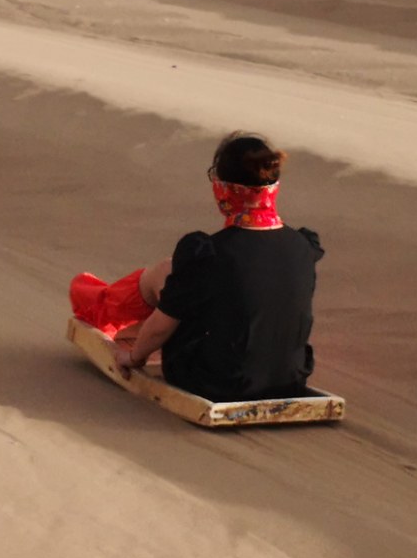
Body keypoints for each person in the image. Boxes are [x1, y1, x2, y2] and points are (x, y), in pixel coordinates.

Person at [69, 134, 323, 403]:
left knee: (165, 273)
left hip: (217, 381)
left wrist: (132, 358)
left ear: (223, 188)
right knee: (192, 282)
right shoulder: (303, 246)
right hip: (290, 377)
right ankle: (119, 318)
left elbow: (160, 329)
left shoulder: (208, 252)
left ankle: (101, 310)